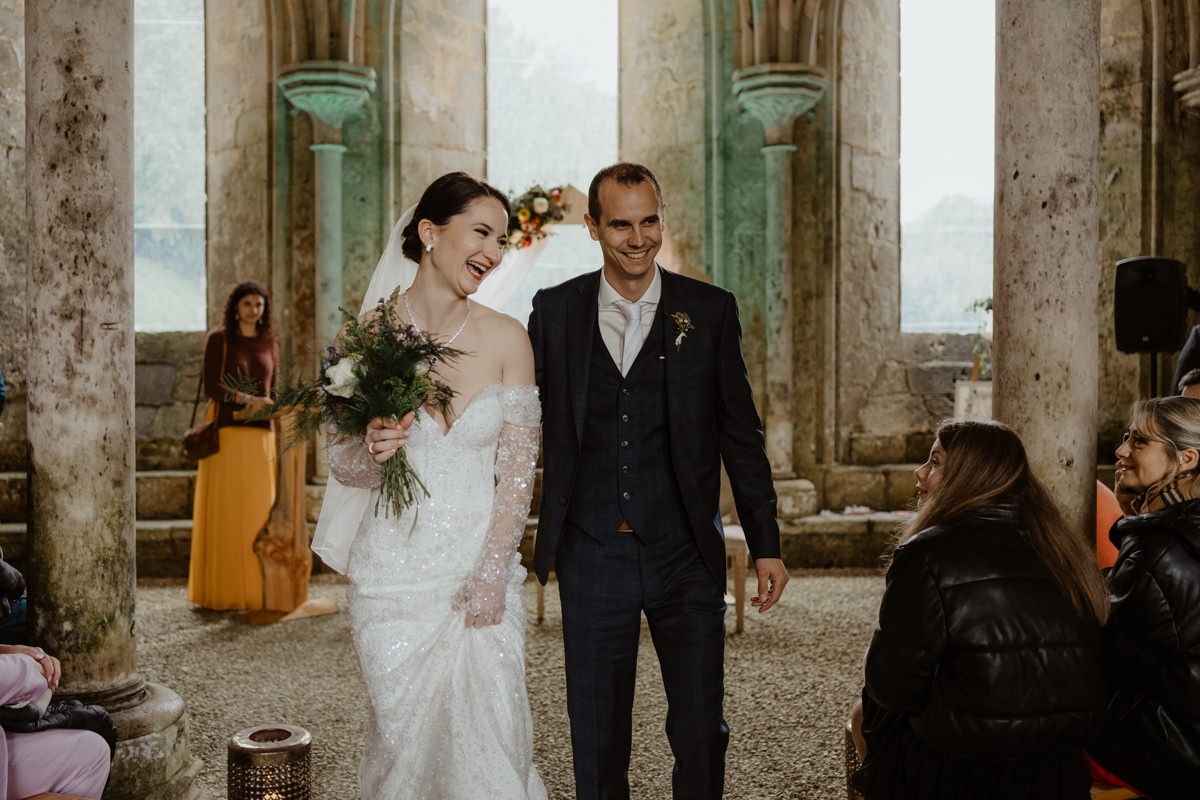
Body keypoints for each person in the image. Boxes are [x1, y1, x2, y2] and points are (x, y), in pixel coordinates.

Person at [528, 162, 788, 800]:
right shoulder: (554, 311)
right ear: (593, 227)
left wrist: (767, 544)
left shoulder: (710, 310)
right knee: (597, 733)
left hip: (685, 552)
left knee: (699, 729)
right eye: (621, 224)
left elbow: (741, 435)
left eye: (650, 221)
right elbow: (520, 417)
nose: (639, 238)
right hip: (592, 550)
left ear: (662, 220)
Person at [315, 172, 546, 798]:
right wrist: (372, 449)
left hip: (479, 568)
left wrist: (492, 572)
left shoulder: (509, 339)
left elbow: (517, 476)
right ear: (429, 232)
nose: (494, 252)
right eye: (482, 233)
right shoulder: (364, 338)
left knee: (492, 739)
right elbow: (345, 467)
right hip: (392, 578)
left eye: (501, 240)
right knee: (405, 747)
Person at [851, 419, 1109, 800]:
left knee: (867, 711)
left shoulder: (926, 555)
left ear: (969, 475)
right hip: (1058, 771)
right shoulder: (1065, 549)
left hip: (963, 772)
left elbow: (893, 689)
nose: (920, 473)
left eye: (935, 462)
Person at [1086, 397, 1200, 798]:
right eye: (1125, 437)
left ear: (1186, 459)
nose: (1121, 451)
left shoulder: (1155, 548)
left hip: (1164, 754)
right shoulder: (1178, 534)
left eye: (1139, 442)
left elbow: (1107, 662)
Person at [187, 281, 279, 610]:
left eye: (259, 304)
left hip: (262, 436)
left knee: (259, 512)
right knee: (227, 512)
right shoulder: (219, 339)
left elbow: (274, 389)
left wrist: (274, 406)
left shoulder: (270, 343)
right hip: (227, 434)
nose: (253, 310)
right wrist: (247, 400)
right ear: (235, 308)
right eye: (247, 304)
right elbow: (212, 386)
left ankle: (258, 589)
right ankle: (224, 590)